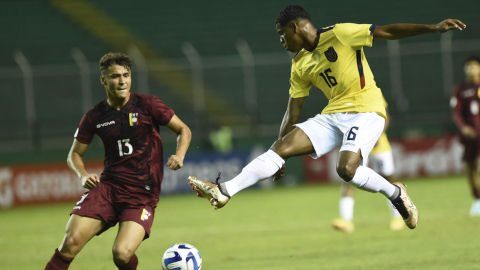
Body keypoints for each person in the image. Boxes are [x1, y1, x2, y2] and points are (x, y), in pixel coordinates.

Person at [188, 5, 465, 230]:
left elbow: (387, 31)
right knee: (279, 147)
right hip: (334, 115)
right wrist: (280, 153)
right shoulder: (300, 64)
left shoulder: (341, 33)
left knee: (346, 170)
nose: (281, 40)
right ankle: (225, 190)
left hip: (367, 110)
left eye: (281, 34)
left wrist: (434, 27)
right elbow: (292, 111)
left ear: (295, 27)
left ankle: (396, 193)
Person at [45, 52, 192, 270]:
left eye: (126, 75)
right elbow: (74, 154)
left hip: (141, 194)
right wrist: (83, 175)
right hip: (108, 188)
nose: (122, 81)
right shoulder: (94, 116)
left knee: (121, 255)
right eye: (115, 76)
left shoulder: (148, 105)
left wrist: (179, 155)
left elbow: (183, 129)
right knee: (70, 242)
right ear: (103, 80)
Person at [332, 97, 404, 233]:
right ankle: (346, 220)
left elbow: (386, 117)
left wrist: (378, 135)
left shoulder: (372, 92)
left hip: (378, 143)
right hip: (357, 143)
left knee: (388, 178)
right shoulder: (345, 95)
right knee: (349, 178)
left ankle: (397, 216)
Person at [450, 55, 480, 216]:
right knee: (470, 167)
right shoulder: (460, 89)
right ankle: (477, 199)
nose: (471, 69)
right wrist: (463, 128)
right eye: (468, 66)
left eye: (474, 66)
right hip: (469, 134)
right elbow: (456, 112)